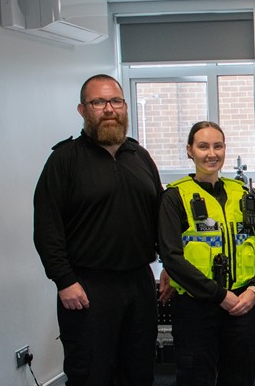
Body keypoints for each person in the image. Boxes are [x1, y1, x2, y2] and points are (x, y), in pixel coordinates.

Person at [33, 74, 162, 385]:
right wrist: (64, 281)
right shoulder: (64, 160)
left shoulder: (140, 156)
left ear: (125, 106)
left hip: (139, 284)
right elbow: (46, 227)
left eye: (115, 101)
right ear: (83, 110)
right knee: (91, 373)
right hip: (87, 288)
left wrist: (169, 266)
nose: (109, 109)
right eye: (98, 102)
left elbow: (159, 217)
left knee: (139, 370)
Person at [158, 121, 255, 385]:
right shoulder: (175, 197)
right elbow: (172, 258)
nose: (211, 153)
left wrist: (254, 289)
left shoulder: (241, 193)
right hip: (196, 308)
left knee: (240, 377)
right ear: (190, 150)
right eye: (203, 146)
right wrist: (219, 295)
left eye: (218, 146)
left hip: (242, 305)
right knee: (195, 377)